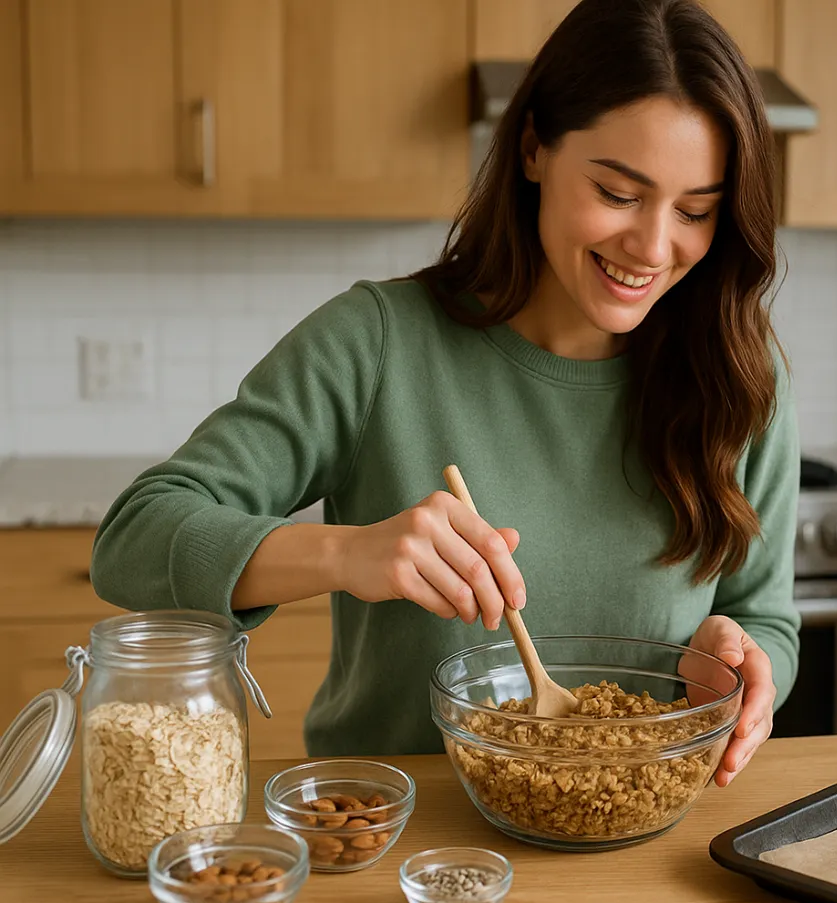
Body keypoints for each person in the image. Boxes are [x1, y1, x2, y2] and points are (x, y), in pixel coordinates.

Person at [90, 0, 799, 787]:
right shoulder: (379, 341)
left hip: (644, 842)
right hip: (395, 845)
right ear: (533, 148)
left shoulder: (737, 370)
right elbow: (133, 538)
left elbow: (766, 614)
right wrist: (345, 552)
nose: (654, 246)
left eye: (696, 211)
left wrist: (738, 662)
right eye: (619, 193)